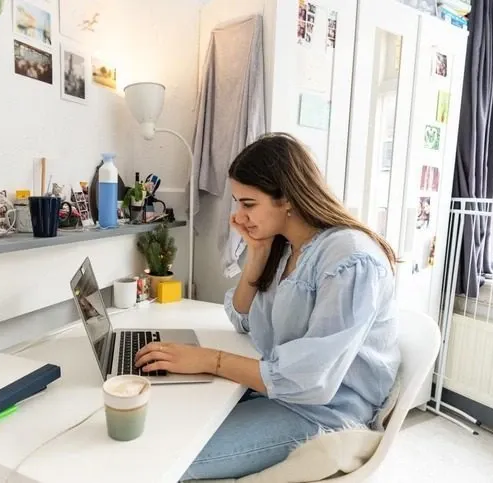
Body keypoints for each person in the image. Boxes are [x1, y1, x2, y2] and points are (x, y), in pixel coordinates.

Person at [134, 133, 401, 480]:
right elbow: (241, 319)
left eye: (248, 203)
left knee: (166, 457)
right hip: (281, 390)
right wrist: (257, 253)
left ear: (286, 198)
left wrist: (210, 361)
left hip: (324, 410)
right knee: (163, 415)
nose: (239, 216)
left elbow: (314, 380)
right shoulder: (290, 247)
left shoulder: (349, 258)